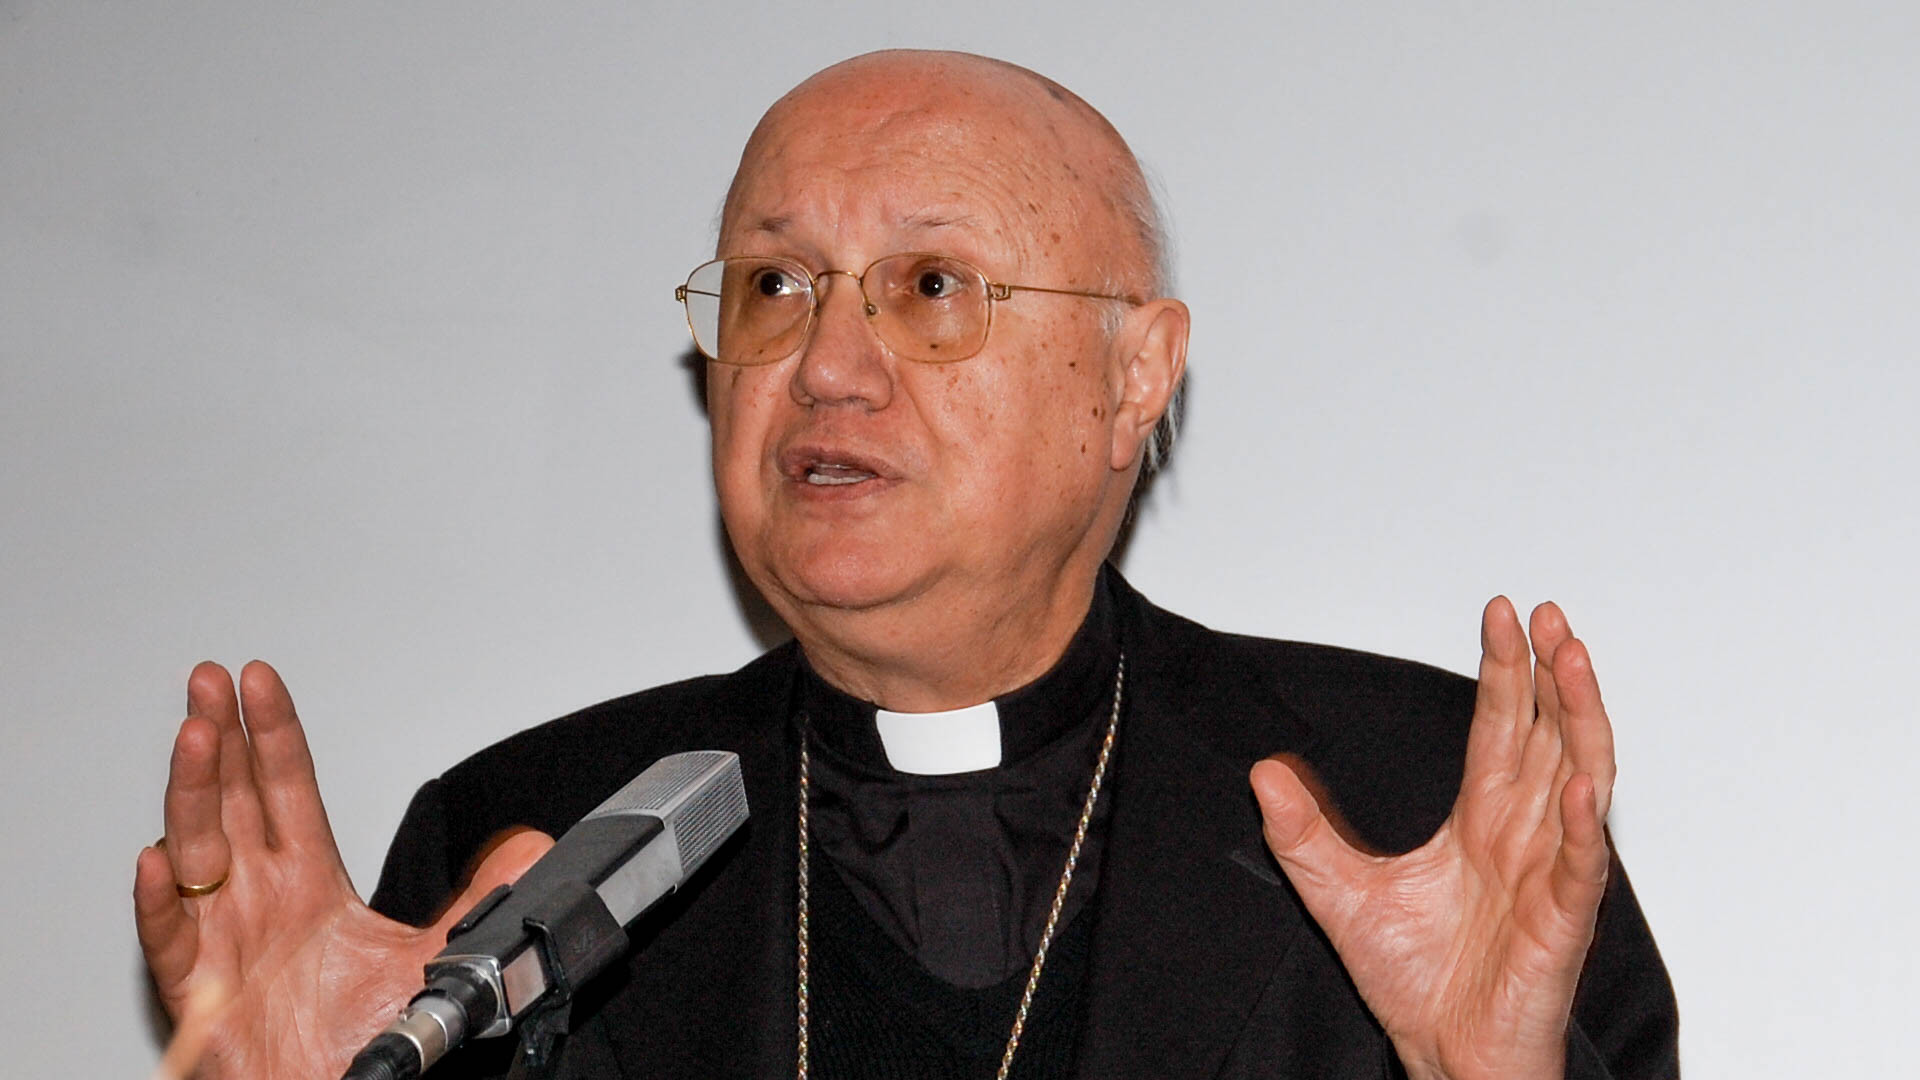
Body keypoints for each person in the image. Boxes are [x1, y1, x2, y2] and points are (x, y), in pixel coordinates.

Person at [134, 50, 1678, 1080]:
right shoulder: (526, 853)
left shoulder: (1421, 799)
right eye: (774, 286)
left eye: (933, 285)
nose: (828, 366)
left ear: (1136, 375)